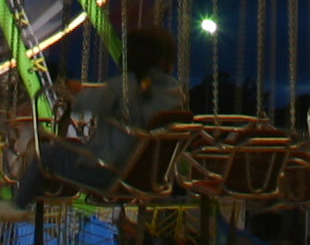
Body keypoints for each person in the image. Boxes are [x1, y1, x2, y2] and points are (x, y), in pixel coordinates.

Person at [13, 27, 188, 206]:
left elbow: (84, 104)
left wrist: (76, 91)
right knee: (71, 150)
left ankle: (19, 206)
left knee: (46, 154)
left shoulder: (124, 87)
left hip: (108, 172)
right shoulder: (174, 93)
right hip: (150, 178)